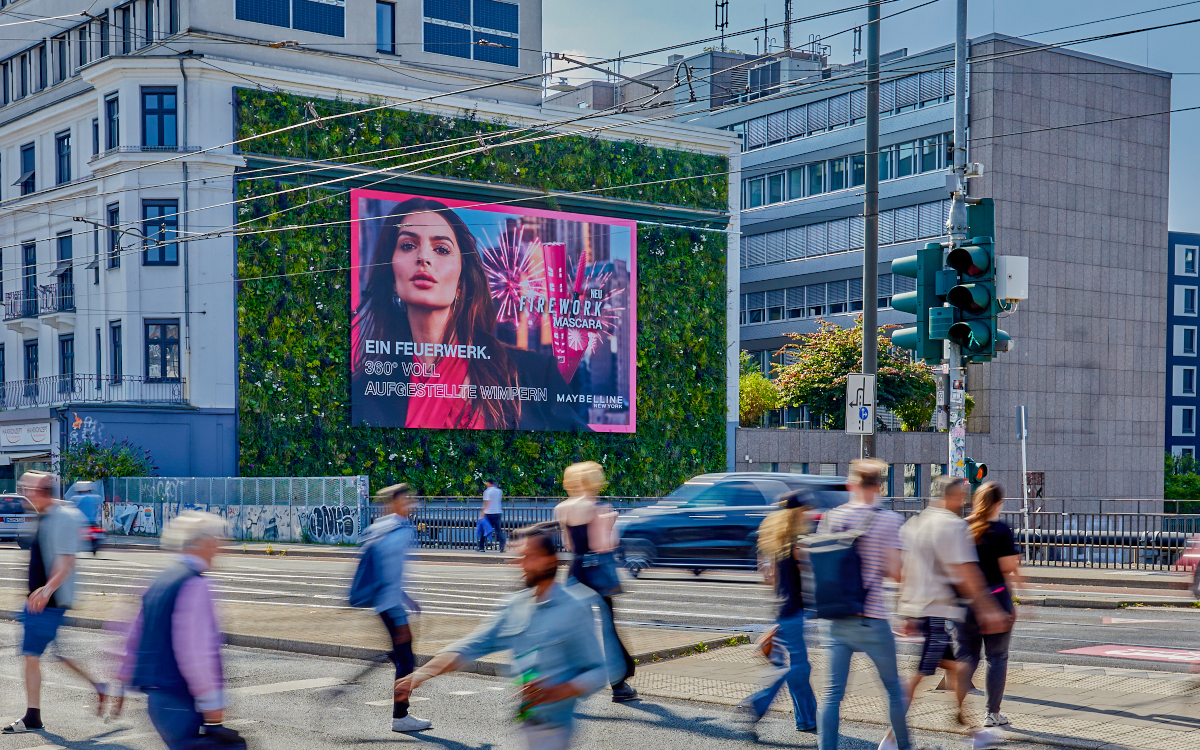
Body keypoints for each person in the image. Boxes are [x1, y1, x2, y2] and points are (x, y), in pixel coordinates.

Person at [350, 197, 590, 431]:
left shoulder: (533, 374)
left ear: (462, 283)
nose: (423, 258)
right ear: (391, 276)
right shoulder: (364, 389)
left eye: (441, 249)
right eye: (408, 245)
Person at [394, 527, 606, 750]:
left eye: (529, 557)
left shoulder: (574, 607)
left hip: (555, 732)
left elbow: (598, 672)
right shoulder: (515, 605)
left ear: (549, 560)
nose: (521, 565)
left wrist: (558, 690)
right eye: (520, 558)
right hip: (526, 726)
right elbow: (472, 645)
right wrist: (421, 674)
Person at [889, 475, 1007, 750]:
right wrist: (988, 609)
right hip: (937, 612)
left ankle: (969, 727)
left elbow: (902, 571)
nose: (962, 503)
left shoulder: (914, 524)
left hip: (922, 609)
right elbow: (967, 572)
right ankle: (892, 737)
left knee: (958, 669)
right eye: (961, 497)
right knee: (920, 675)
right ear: (955, 497)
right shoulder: (953, 526)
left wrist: (905, 610)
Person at [106, 511, 237, 750]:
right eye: (218, 540)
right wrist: (213, 705)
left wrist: (121, 685)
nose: (221, 547)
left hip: (157, 703)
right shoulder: (197, 584)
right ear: (204, 542)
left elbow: (130, 635)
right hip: (181, 699)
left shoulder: (159, 580)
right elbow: (196, 653)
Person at [815, 459, 915, 750]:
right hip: (872, 618)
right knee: (893, 689)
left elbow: (821, 565)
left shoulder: (831, 518)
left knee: (832, 694)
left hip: (835, 617)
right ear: (879, 487)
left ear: (851, 485)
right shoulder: (890, 521)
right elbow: (897, 573)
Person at [4, 471, 90, 734]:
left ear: (44, 492)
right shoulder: (46, 515)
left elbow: (66, 562)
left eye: (30, 489)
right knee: (44, 656)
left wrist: (46, 590)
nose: (27, 494)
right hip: (38, 601)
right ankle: (33, 715)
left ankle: (33, 716)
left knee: (35, 656)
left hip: (47, 602)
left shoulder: (61, 518)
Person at [554, 461, 637, 703]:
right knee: (607, 627)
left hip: (575, 569)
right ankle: (618, 685)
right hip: (597, 572)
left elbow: (569, 544)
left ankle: (558, 676)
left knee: (567, 624)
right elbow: (604, 545)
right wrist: (611, 522)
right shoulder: (597, 508)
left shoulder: (562, 508)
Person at [740, 490, 817, 732]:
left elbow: (768, 578)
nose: (808, 516)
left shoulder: (775, 541)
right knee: (797, 668)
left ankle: (807, 719)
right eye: (805, 511)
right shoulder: (796, 542)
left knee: (798, 667)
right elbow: (809, 576)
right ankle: (758, 703)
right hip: (794, 610)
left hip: (782, 608)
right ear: (797, 513)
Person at [363, 483, 430, 732]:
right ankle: (400, 716)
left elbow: (385, 572)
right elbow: (393, 574)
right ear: (395, 503)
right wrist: (399, 613)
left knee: (403, 654)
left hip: (383, 601)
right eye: (406, 500)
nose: (410, 504)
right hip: (390, 603)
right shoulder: (400, 530)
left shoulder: (378, 527)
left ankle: (391, 656)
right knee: (406, 659)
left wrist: (407, 600)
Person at [955, 482, 1021, 729]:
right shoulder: (1002, 530)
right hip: (997, 599)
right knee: (997, 657)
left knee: (968, 656)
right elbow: (1006, 567)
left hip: (965, 603)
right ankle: (992, 714)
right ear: (998, 504)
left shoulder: (962, 527)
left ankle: (959, 704)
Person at [479, 478, 505, 552]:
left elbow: (486, 503)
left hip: (489, 513)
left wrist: (482, 514)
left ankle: (481, 547)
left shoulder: (487, 492)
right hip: (497, 513)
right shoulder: (499, 491)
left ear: (488, 483)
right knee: (498, 531)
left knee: (484, 530)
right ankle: (502, 546)